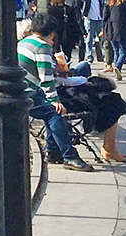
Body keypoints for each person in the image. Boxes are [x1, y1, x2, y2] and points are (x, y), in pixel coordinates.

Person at [18, 11, 94, 172]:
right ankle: (69, 156)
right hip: (27, 93)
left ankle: (52, 151)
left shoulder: (25, 42)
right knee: (55, 114)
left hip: (21, 89)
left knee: (49, 114)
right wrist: (54, 100)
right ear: (51, 33)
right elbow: (45, 78)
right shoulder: (42, 47)